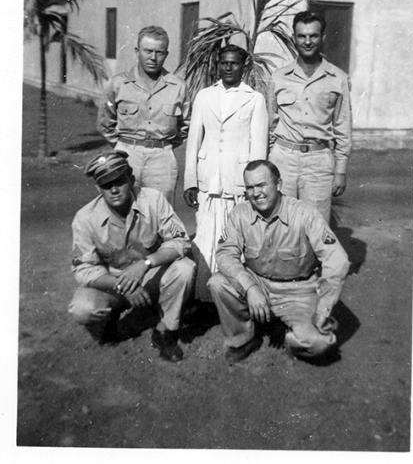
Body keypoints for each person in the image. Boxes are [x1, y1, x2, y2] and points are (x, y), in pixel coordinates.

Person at [208, 160, 350, 364]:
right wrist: (250, 288)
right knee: (218, 283)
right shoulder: (240, 213)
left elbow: (337, 260)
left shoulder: (305, 214)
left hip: (298, 292)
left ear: (279, 184)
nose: (256, 193)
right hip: (258, 283)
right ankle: (243, 338)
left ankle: (287, 334)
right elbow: (225, 254)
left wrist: (323, 310)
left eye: (262, 185)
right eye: (250, 188)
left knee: (320, 343)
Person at [68, 150, 195, 362]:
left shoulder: (153, 200)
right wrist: (123, 284)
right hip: (113, 282)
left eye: (119, 181)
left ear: (131, 179)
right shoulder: (85, 218)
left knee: (185, 268)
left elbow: (180, 241)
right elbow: (84, 269)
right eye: (107, 185)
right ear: (98, 188)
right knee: (82, 308)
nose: (114, 190)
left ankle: (165, 330)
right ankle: (108, 320)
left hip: (149, 274)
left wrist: (146, 263)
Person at [183, 44, 268, 299]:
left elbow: (259, 148)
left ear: (244, 67)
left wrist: (255, 188)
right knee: (205, 238)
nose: (228, 67)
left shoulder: (254, 99)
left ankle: (230, 297)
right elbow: (194, 140)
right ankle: (201, 298)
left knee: (234, 242)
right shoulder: (204, 96)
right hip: (208, 181)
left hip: (236, 184)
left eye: (234, 63)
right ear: (218, 65)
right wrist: (190, 181)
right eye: (224, 63)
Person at [268, 10, 352, 224]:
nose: (307, 42)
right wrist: (269, 162)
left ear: (322, 38)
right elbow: (269, 124)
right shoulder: (278, 78)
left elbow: (343, 128)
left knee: (315, 226)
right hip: (282, 159)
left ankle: (314, 260)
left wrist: (340, 170)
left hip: (318, 161)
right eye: (301, 36)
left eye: (313, 36)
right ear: (294, 38)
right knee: (281, 224)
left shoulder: (337, 79)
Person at [97, 25, 188, 204]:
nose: (153, 58)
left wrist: (164, 145)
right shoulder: (118, 83)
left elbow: (185, 125)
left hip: (162, 157)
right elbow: (105, 122)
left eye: (159, 52)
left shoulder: (177, 86)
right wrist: (124, 145)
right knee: (123, 210)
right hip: (127, 154)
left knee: (161, 214)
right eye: (148, 51)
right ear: (137, 51)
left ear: (166, 54)